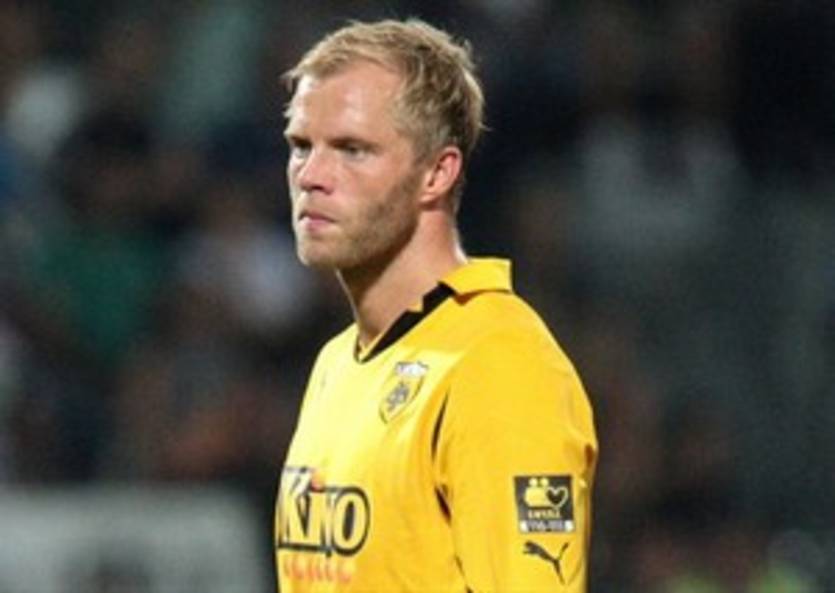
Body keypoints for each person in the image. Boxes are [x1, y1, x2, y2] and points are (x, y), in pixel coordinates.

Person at [274, 18, 597, 592]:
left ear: (437, 173)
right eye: (301, 146)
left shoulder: (498, 365)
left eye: (352, 149)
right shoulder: (336, 365)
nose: (312, 176)